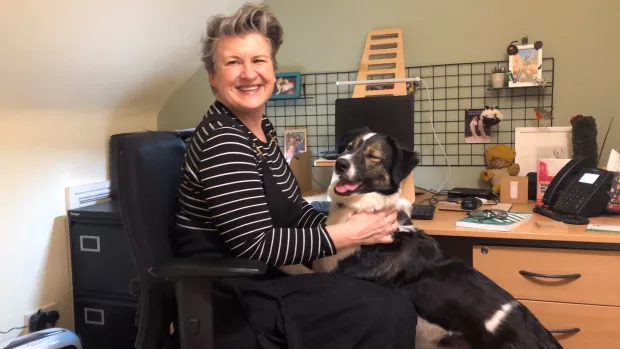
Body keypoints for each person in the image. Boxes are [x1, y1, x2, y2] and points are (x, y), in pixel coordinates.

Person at [172, 3, 418, 349]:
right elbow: (255, 243)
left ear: (273, 69)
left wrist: (355, 219)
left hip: (267, 278)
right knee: (388, 309)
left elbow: (294, 210)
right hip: (235, 296)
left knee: (383, 293)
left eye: (258, 60)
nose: (248, 73)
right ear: (213, 76)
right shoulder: (223, 140)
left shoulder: (260, 133)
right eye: (233, 63)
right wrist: (347, 233)